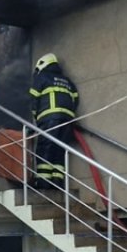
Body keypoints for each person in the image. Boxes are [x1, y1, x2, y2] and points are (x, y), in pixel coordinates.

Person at [29, 53, 79, 186]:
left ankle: (43, 181)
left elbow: (34, 99)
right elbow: (75, 99)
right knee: (59, 148)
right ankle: (57, 180)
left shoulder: (42, 78)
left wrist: (36, 118)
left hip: (49, 118)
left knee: (45, 146)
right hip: (67, 120)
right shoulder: (67, 80)